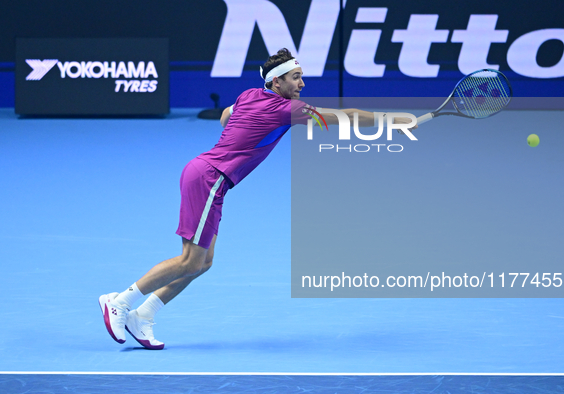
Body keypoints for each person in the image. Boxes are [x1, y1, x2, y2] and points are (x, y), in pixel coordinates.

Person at [98, 48, 395, 350]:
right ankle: (120, 302)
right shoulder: (288, 110)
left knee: (203, 263)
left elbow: (226, 117)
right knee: (189, 260)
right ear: (277, 83)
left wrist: (248, 132)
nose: (302, 83)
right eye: (296, 78)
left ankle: (143, 315)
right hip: (210, 179)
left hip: (207, 176)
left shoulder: (250, 94)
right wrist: (393, 121)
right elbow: (346, 117)